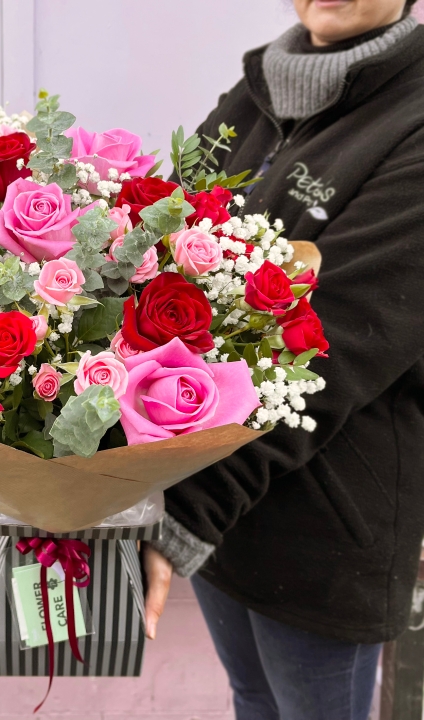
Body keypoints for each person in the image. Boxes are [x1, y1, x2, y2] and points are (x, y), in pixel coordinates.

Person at [143, 1, 424, 718]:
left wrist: (185, 510)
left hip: (321, 533)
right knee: (252, 702)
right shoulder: (257, 93)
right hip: (221, 513)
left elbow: (334, 347)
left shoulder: (413, 121)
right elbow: (159, 257)